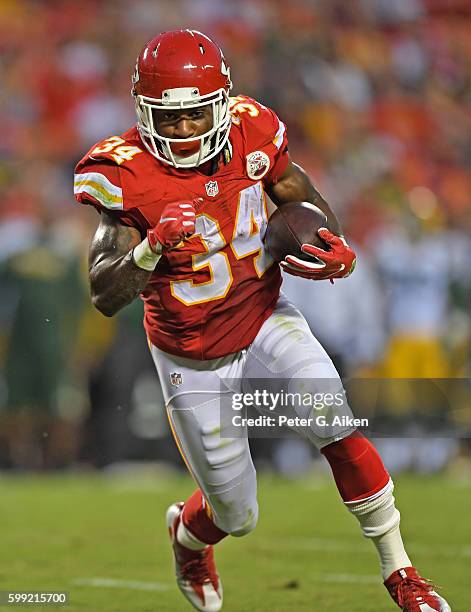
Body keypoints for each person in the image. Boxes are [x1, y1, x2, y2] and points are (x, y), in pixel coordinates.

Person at [73, 29, 451, 612]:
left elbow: (297, 192)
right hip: (191, 351)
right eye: (168, 120)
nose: (183, 132)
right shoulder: (124, 173)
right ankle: (187, 535)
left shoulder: (252, 128)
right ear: (143, 112)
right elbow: (103, 292)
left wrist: (332, 240)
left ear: (221, 103)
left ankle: (402, 573)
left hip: (262, 311)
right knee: (237, 512)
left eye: (196, 115)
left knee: (334, 416)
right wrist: (149, 249)